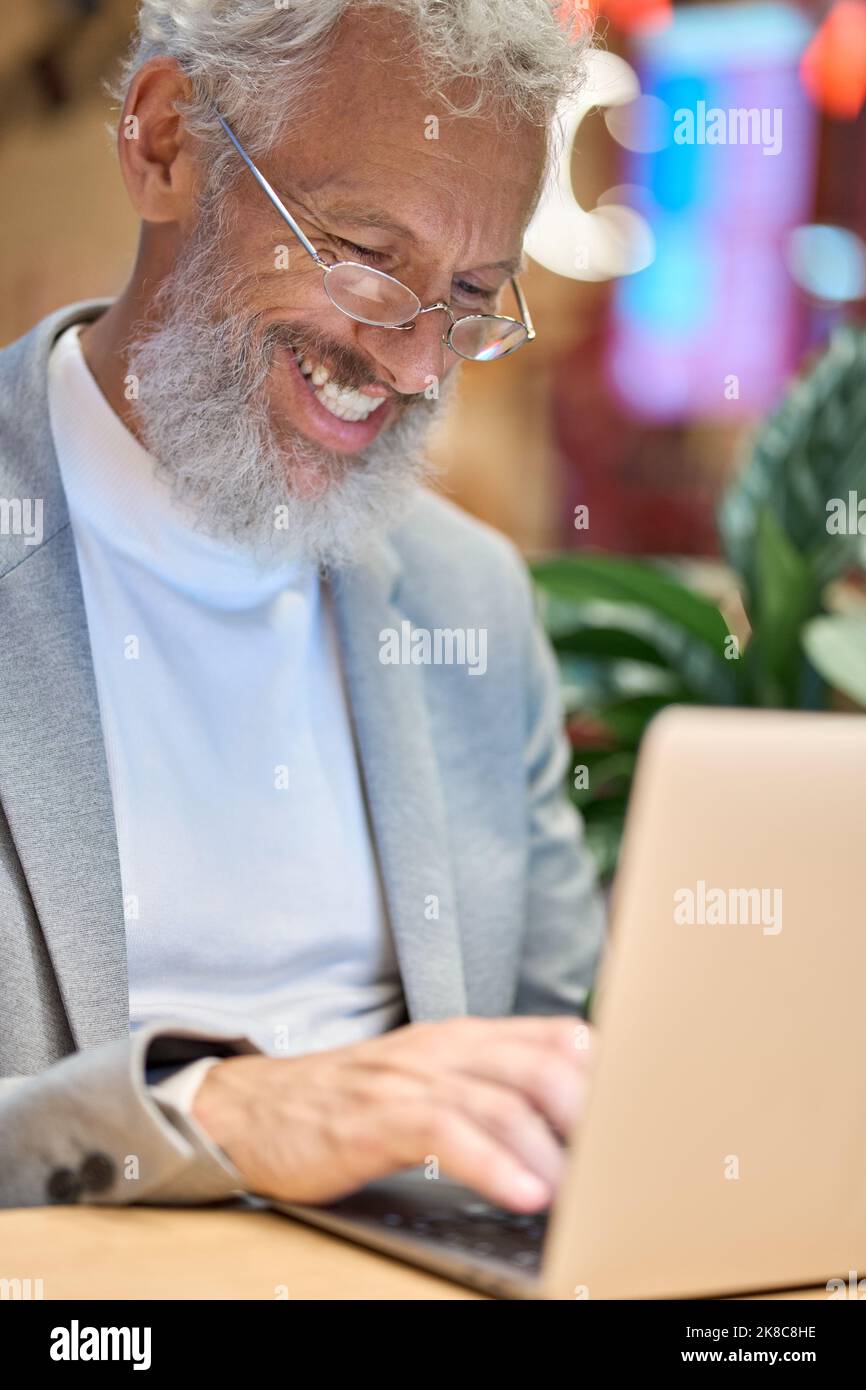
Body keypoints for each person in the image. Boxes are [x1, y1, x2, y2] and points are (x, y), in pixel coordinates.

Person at [0, 0, 603, 1215]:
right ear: (165, 142)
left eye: (473, 294)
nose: (418, 364)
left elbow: (566, 1064)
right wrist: (205, 1112)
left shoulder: (469, 602)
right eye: (367, 258)